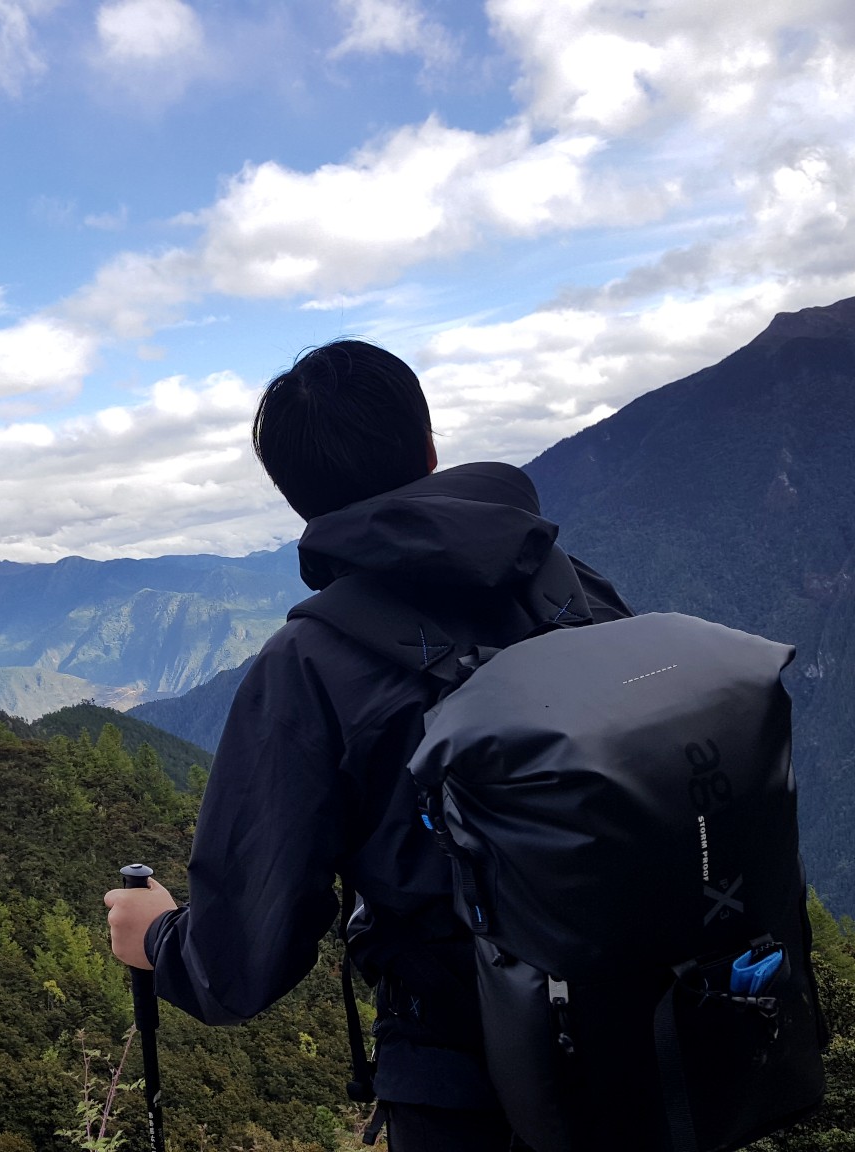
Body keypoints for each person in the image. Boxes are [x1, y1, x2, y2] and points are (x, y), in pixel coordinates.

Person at [104, 339, 630, 1151]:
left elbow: (240, 963)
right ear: (429, 447)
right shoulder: (570, 586)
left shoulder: (310, 663)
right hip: (653, 1038)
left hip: (473, 1086)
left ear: (298, 503)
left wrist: (158, 937)